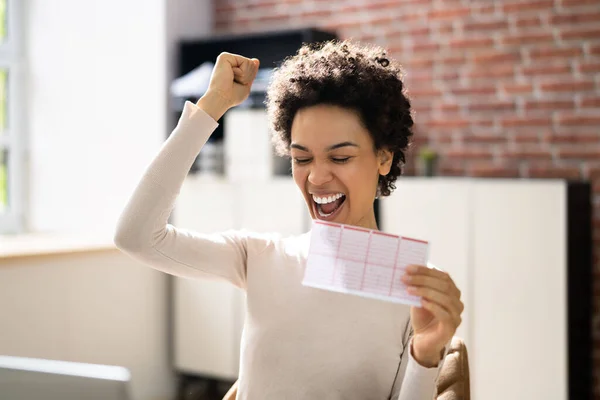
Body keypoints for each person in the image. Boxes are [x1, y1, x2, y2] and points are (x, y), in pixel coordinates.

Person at [114, 40, 464, 399]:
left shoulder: (414, 288)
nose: (315, 178)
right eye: (302, 159)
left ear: (384, 159)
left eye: (340, 158)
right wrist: (212, 106)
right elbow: (137, 236)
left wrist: (425, 354)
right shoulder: (261, 258)